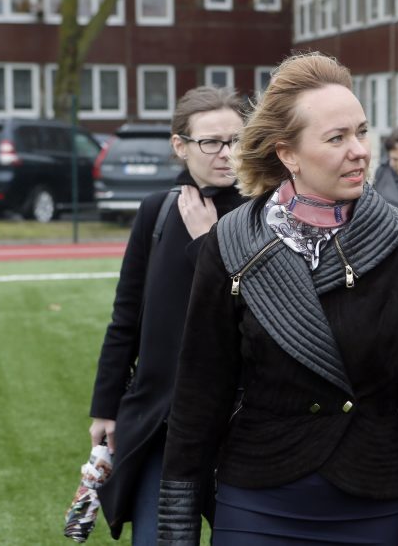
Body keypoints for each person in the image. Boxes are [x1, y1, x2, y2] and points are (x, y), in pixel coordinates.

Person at [156, 52, 398, 546]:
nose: (360, 150)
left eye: (362, 132)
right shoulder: (230, 243)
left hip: (377, 495)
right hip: (258, 499)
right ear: (288, 154)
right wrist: (177, 529)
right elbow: (199, 394)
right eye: (337, 138)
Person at [88, 86, 247, 543]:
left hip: (238, 423)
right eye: (211, 142)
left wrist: (210, 244)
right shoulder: (156, 211)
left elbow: (257, 307)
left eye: (236, 140)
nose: (226, 154)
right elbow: (127, 314)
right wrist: (106, 406)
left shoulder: (264, 213)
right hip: (161, 419)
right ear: (180, 146)